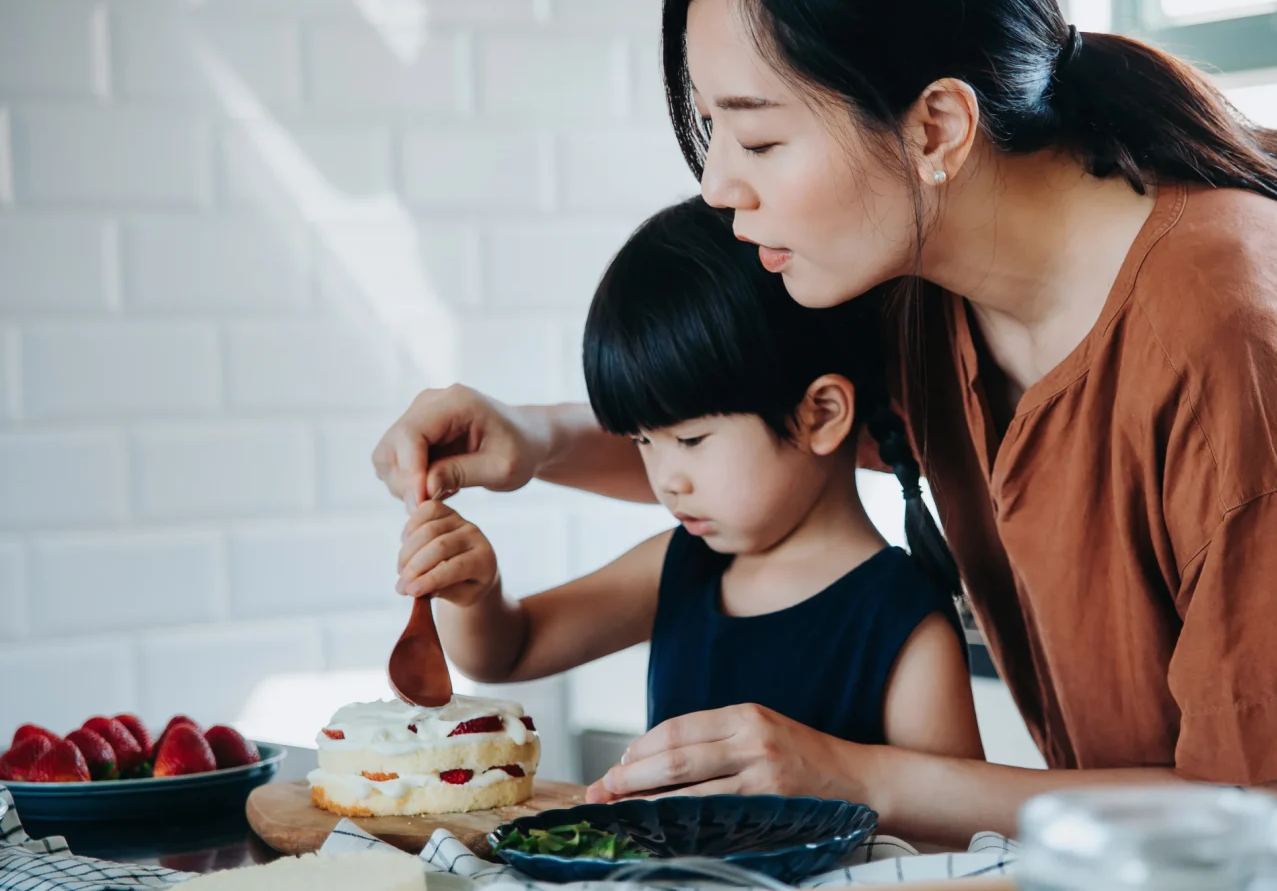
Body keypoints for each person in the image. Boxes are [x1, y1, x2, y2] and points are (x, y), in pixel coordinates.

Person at [374, 0, 1277, 850]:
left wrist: (848, 773)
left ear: (940, 122)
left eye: (761, 139)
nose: (722, 187)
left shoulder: (1232, 339)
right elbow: (774, 435)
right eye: (713, 135)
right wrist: (531, 437)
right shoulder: (942, 292)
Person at [394, 198, 982, 764]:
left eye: (693, 441)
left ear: (822, 414)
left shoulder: (902, 619)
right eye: (643, 442)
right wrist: (477, 593)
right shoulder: (684, 564)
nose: (665, 479)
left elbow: (954, 840)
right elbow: (509, 651)